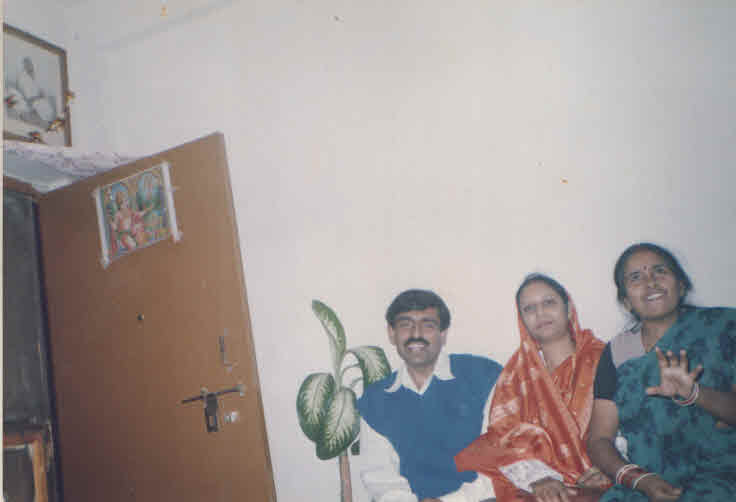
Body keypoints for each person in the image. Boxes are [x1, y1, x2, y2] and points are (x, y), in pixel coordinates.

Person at [587, 243, 736, 501]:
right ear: (626, 301)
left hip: (722, 479)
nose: (651, 282)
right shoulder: (618, 352)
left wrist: (695, 393)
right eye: (636, 277)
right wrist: (639, 479)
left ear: (681, 285)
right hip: (645, 484)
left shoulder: (724, 328)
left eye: (660, 271)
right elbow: (599, 439)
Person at [455, 273, 610, 502]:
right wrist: (538, 477)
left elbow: (631, 425)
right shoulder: (514, 377)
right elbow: (499, 440)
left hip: (603, 485)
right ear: (522, 320)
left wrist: (609, 467)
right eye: (529, 308)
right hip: (537, 492)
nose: (540, 313)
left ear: (568, 309)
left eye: (549, 302)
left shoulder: (605, 360)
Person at [357, 289, 503, 502]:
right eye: (405, 324)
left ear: (443, 334)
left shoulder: (483, 376)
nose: (416, 334)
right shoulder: (375, 400)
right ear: (391, 333)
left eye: (428, 325)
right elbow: (379, 476)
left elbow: (501, 458)